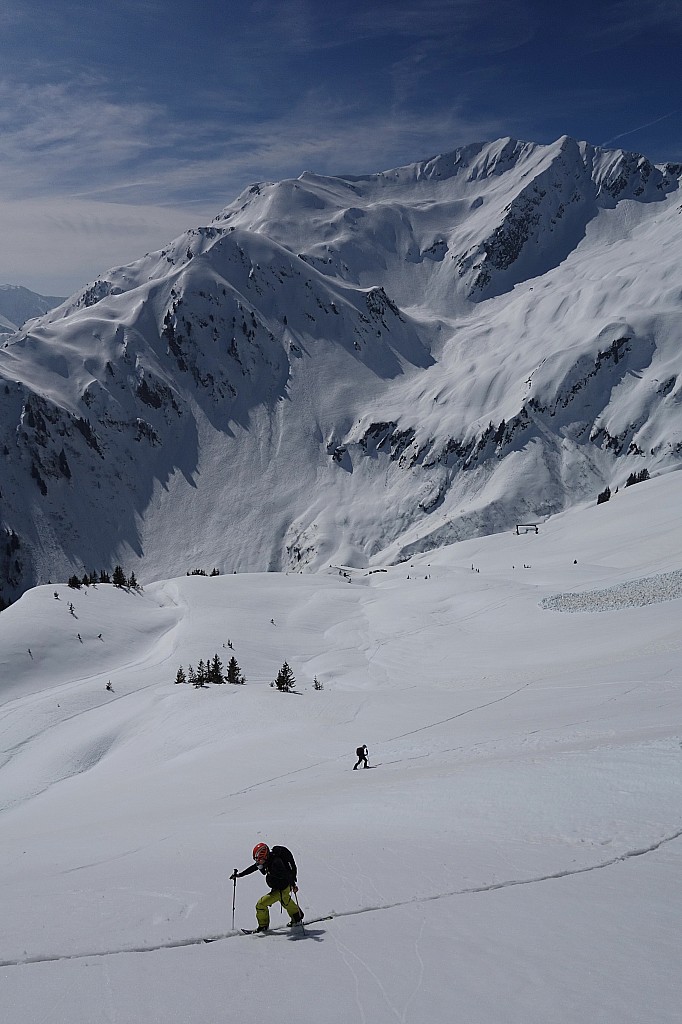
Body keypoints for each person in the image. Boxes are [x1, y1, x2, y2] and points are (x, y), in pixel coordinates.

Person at [230, 843, 304, 932]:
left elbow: (286, 874)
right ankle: (297, 916)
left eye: (259, 860)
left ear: (265, 856)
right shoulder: (266, 861)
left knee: (260, 905)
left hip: (282, 888)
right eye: (256, 860)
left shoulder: (276, 862)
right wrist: (239, 875)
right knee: (285, 901)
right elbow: (253, 868)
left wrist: (293, 885)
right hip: (279, 888)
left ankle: (263, 926)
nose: (258, 862)